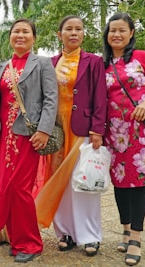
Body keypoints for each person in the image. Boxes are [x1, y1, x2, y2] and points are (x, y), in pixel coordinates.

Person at [0, 18, 58, 263]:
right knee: (6, 188)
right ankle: (16, 239)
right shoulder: (0, 68)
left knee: (21, 189)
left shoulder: (43, 64)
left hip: (29, 137)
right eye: (16, 32)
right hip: (4, 138)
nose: (20, 35)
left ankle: (31, 243)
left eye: (26, 32)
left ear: (34, 38)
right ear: (10, 37)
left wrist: (44, 131)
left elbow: (50, 99)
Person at [34, 15, 108, 257]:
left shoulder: (94, 61)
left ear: (83, 34)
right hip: (57, 132)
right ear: (60, 34)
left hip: (82, 130)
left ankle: (90, 235)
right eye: (68, 29)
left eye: (78, 29)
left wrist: (97, 129)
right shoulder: (50, 62)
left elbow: (100, 97)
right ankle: (64, 232)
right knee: (59, 183)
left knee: (83, 182)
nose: (73, 33)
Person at [102, 12, 145, 266]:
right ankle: (126, 229)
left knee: (138, 183)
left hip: (139, 133)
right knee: (120, 184)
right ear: (107, 36)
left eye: (122, 30)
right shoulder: (102, 64)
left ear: (131, 33)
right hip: (113, 134)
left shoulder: (143, 58)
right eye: (112, 30)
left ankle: (136, 239)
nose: (117, 34)